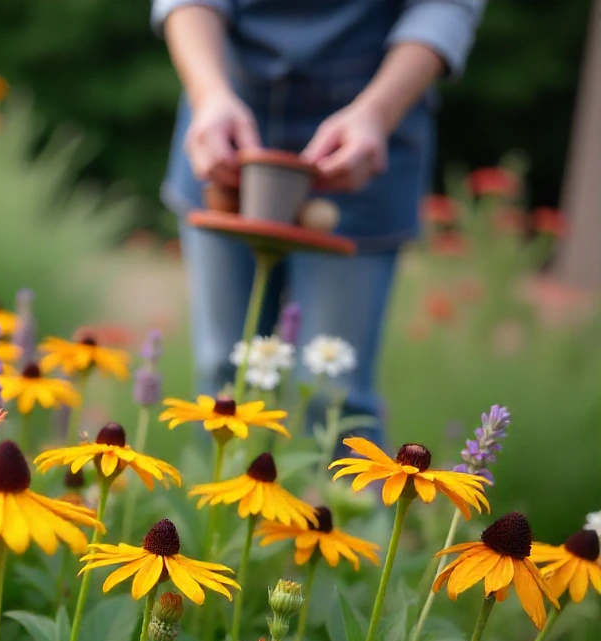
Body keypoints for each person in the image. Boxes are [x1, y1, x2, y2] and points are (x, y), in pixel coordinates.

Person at [153, 0, 485, 437]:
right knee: (223, 378)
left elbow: (445, 8)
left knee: (335, 398)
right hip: (225, 124)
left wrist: (376, 113)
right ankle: (218, 505)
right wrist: (209, 95)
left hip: (370, 132)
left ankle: (339, 505)